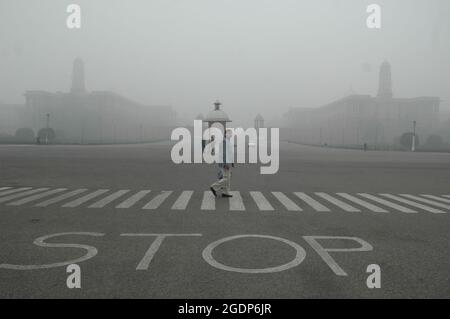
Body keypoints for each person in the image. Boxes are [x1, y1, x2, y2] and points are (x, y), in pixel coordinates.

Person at [210, 129, 234, 198]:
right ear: (225, 134)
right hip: (224, 163)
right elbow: (224, 153)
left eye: (231, 133)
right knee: (226, 178)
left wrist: (231, 162)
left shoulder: (227, 142)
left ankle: (225, 192)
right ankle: (214, 187)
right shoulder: (224, 142)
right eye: (229, 133)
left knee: (227, 177)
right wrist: (226, 163)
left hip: (226, 162)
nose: (231, 135)